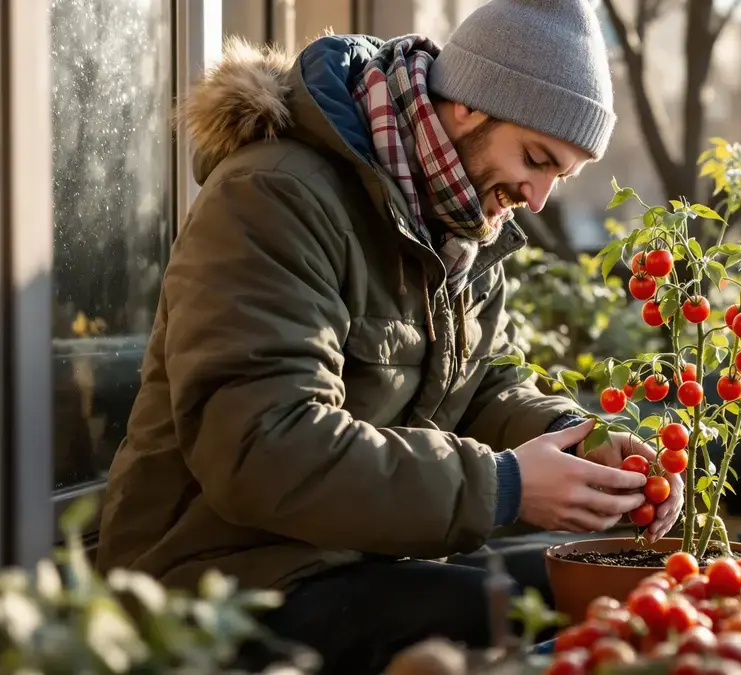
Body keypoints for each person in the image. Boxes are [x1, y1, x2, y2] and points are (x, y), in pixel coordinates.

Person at [95, 1, 684, 672]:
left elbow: (483, 385)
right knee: (519, 614)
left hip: (356, 558)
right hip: (215, 588)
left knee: (619, 589)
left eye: (561, 175)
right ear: (469, 106)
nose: (540, 196)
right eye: (536, 158)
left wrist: (580, 440)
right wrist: (504, 485)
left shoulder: (460, 226)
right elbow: (262, 445)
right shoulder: (274, 196)